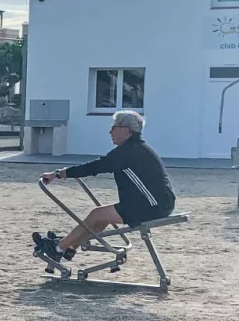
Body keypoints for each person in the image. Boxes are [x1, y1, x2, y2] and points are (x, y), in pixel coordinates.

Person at [35, 110, 174, 263]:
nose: (110, 132)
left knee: (97, 214)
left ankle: (57, 249)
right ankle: (69, 246)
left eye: (113, 128)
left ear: (125, 131)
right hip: (158, 203)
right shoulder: (137, 148)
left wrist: (59, 174)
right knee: (101, 218)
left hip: (151, 206)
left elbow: (95, 167)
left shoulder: (127, 152)